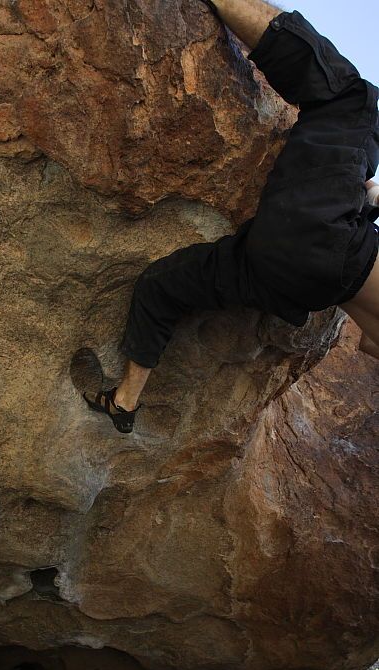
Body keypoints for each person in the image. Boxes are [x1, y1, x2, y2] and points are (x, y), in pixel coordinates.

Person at [83, 0, 379, 434]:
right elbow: (369, 344)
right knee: (162, 286)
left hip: (325, 242)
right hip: (284, 281)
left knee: (352, 98)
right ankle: (123, 403)